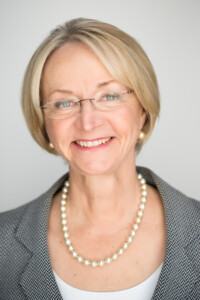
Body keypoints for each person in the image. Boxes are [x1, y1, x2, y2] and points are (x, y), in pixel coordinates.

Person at [0, 18, 199, 300]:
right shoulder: (3, 243)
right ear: (44, 122)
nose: (88, 122)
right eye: (64, 103)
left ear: (143, 109)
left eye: (109, 96)